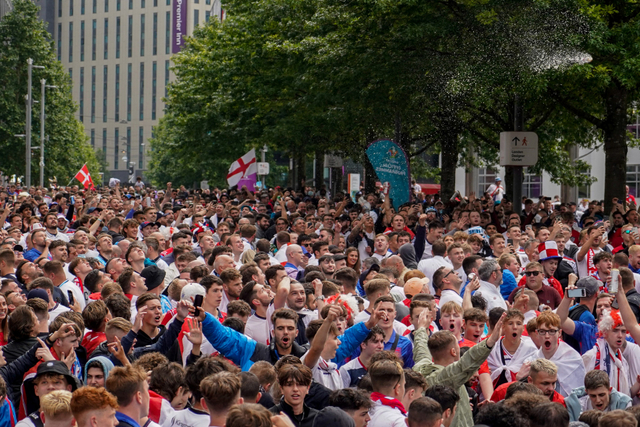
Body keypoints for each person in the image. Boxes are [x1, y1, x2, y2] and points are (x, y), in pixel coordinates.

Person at [413, 304, 506, 427]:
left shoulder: (421, 367)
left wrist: (421, 328)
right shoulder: (447, 377)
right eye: (457, 345)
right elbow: (467, 362)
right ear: (453, 351)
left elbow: (420, 348)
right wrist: (489, 342)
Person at [565, 370, 632, 421]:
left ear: (609, 390)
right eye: (593, 396)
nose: (598, 400)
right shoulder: (575, 405)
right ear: (586, 392)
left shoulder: (624, 403)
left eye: (601, 395)